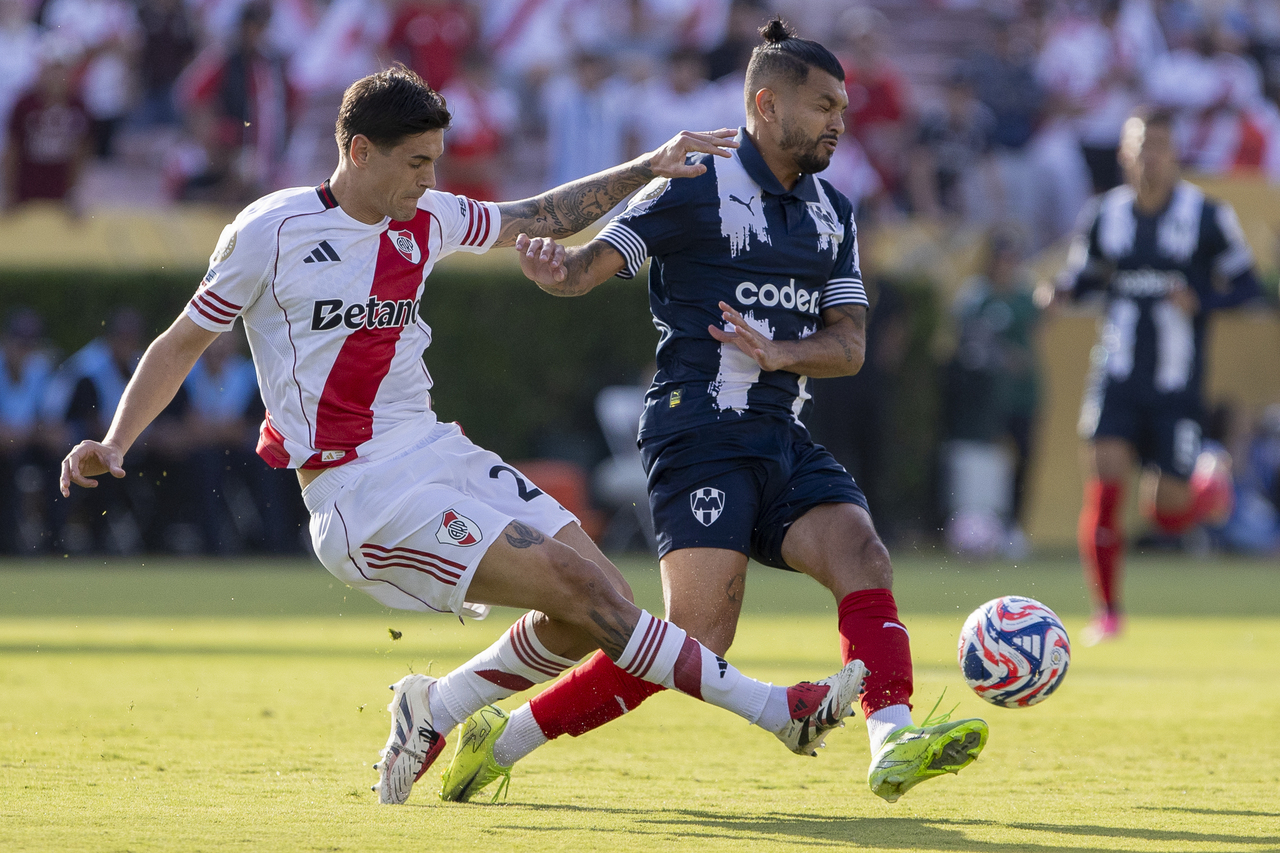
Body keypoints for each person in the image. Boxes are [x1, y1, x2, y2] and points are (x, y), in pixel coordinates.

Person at [59, 64, 866, 807]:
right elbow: (181, 342)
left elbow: (537, 216)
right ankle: (778, 710)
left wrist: (648, 167)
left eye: (436, 161)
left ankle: (436, 706)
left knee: (601, 606)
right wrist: (117, 440)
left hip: (439, 450)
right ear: (360, 151)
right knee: (585, 594)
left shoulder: (429, 216)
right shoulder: (270, 230)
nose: (430, 179)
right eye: (416, 162)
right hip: (359, 492)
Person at [441, 19, 989, 806]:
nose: (839, 122)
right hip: (697, 431)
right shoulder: (693, 185)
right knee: (694, 639)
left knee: (862, 552)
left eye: (843, 108)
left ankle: (893, 737)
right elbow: (585, 269)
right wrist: (552, 269)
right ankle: (505, 738)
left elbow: (850, 344)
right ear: (766, 105)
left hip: (781, 434)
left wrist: (780, 352)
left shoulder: (834, 211)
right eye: (824, 106)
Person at [1051, 107, 1262, 645]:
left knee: (1166, 513)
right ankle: (1107, 612)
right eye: (1142, 145)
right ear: (1125, 153)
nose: (1151, 157)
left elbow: (1248, 285)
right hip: (1116, 374)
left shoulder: (1207, 215)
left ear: (1176, 154)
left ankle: (1208, 481)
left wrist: (1203, 300)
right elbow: (1082, 276)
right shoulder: (1104, 214)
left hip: (1177, 385)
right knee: (1104, 483)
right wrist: (1058, 293)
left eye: (1161, 146)